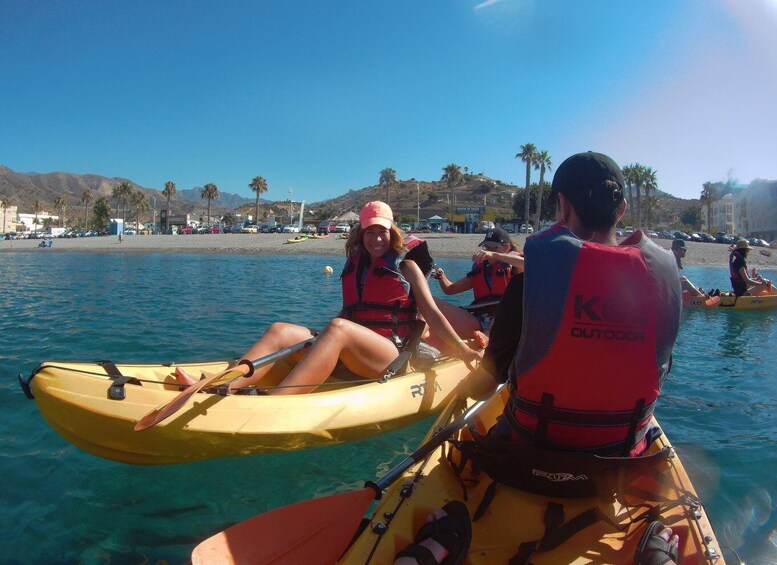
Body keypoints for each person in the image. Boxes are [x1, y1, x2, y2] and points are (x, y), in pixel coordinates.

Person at [396, 152, 682, 563]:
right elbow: (659, 369)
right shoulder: (664, 278)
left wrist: (460, 392)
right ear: (621, 209)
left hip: (527, 457)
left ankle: (436, 544)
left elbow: (490, 379)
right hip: (616, 466)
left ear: (562, 207)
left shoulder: (533, 277)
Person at [177, 201, 482, 395]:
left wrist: (462, 350)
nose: (377, 239)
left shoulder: (407, 267)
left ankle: (273, 403)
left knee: (336, 328)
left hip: (391, 355)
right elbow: (350, 312)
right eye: (370, 232)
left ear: (393, 234)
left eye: (383, 232)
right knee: (280, 330)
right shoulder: (355, 267)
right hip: (354, 349)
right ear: (360, 235)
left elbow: (433, 315)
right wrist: (319, 341)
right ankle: (221, 387)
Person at [432, 227, 524, 332]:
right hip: (480, 320)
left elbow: (527, 264)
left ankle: (488, 338)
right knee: (430, 303)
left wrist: (495, 255)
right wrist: (440, 276)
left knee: (501, 315)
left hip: (506, 320)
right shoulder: (481, 268)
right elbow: (450, 289)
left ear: (506, 247)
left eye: (493, 248)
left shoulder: (516, 266)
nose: (489, 251)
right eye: (487, 247)